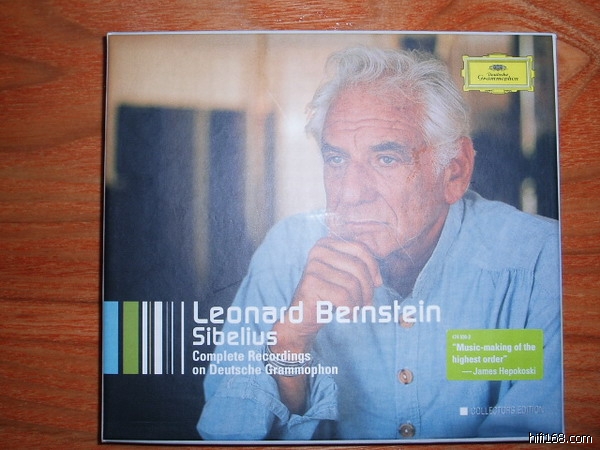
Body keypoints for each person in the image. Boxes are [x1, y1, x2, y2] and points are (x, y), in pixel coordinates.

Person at [196, 46, 562, 441]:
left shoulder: (542, 259)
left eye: (386, 159)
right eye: (336, 160)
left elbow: (545, 439)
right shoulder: (286, 252)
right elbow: (224, 438)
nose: (350, 194)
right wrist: (288, 345)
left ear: (454, 171)